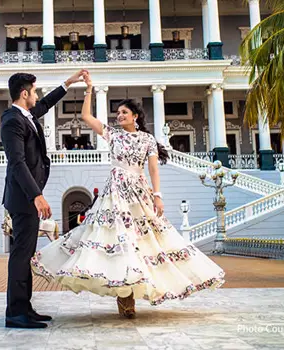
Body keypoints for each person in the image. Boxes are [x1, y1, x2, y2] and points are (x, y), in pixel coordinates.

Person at [31, 71, 225, 319]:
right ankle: (125, 296)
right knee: (117, 239)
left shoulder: (147, 140)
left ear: (135, 116)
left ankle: (140, 288)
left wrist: (158, 195)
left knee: (145, 240)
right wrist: (89, 88)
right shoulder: (114, 134)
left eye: (124, 112)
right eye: (118, 113)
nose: (119, 115)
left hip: (139, 192)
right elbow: (86, 116)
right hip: (115, 193)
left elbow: (153, 168)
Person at [1, 69, 86, 329]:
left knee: (25, 254)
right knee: (20, 255)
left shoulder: (26, 115)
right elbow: (17, 162)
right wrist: (36, 195)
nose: (37, 95)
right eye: (34, 91)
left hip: (27, 196)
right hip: (23, 198)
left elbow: (46, 104)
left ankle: (24, 308)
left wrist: (68, 83)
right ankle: (16, 312)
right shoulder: (12, 121)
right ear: (24, 93)